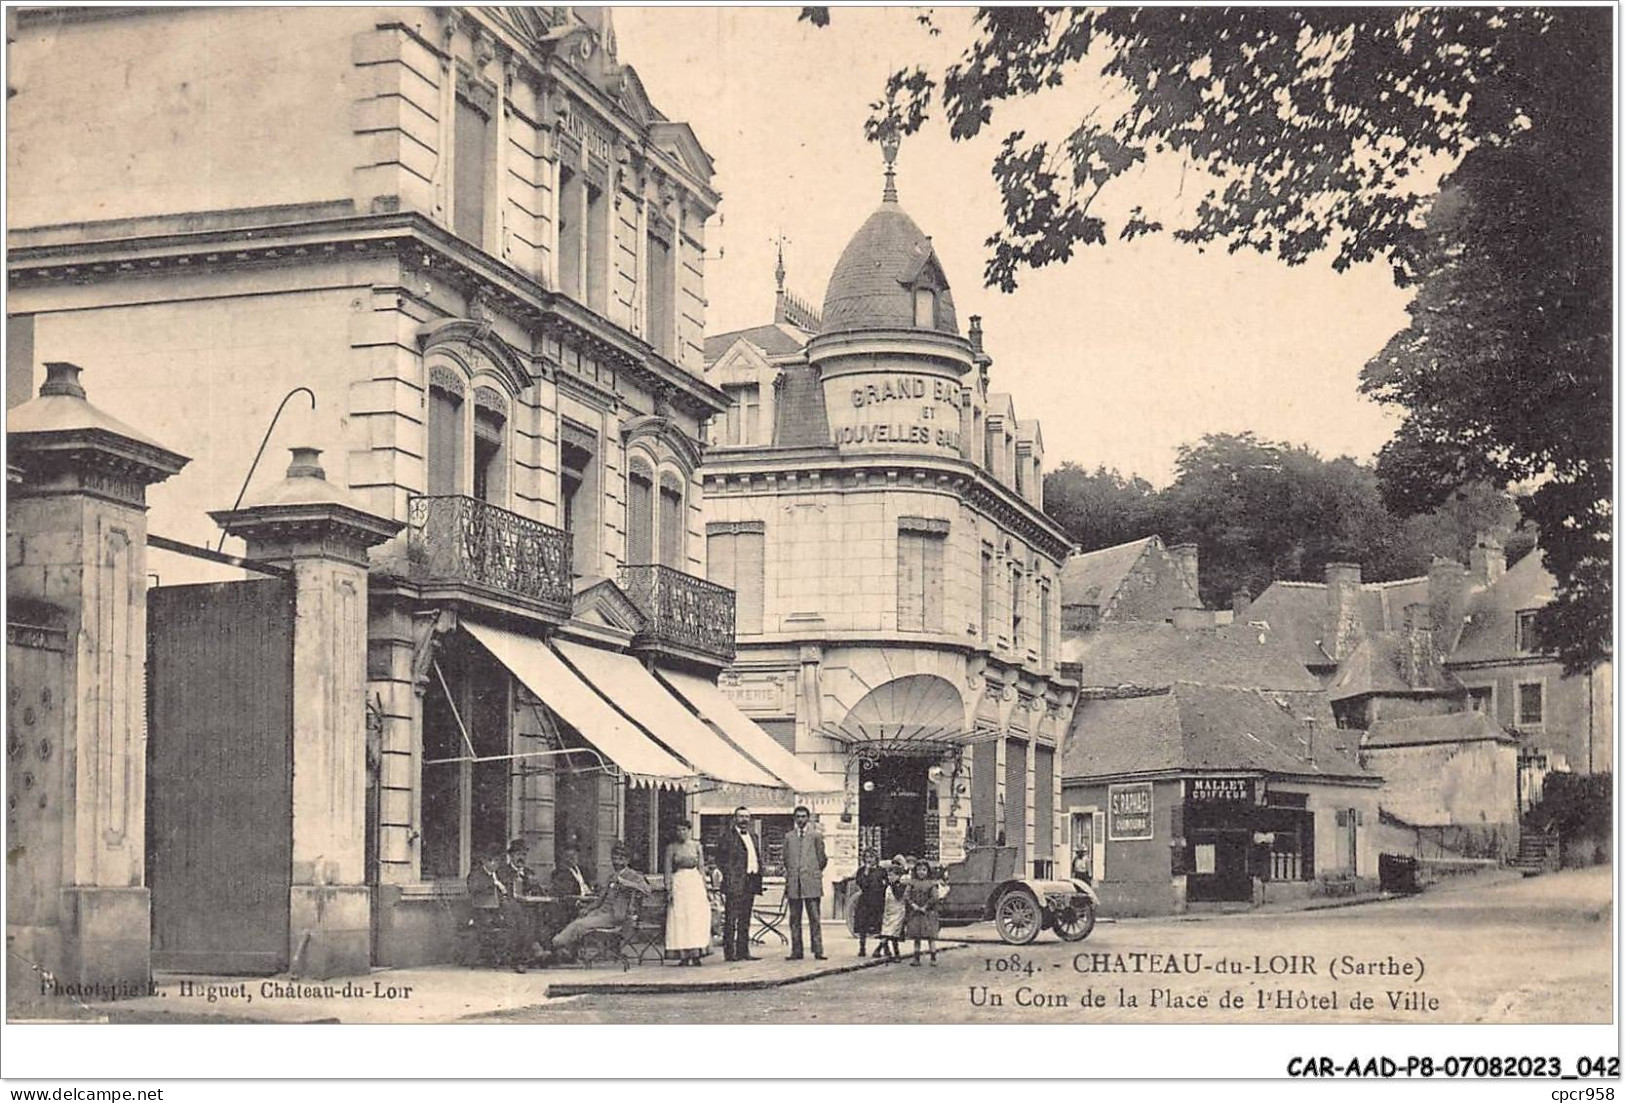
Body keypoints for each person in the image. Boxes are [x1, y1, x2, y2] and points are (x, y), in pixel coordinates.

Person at [550, 842, 652, 957]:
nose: (616, 862)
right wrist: (588, 909)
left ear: (627, 861)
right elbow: (600, 900)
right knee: (578, 918)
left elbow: (647, 890)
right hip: (601, 912)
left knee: (580, 925)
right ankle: (563, 951)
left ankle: (555, 944)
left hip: (616, 916)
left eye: (621, 858)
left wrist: (626, 883)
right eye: (614, 858)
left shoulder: (633, 875)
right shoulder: (612, 877)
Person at [713, 806, 763, 962]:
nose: (744, 820)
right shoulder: (727, 837)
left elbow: (755, 857)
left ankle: (743, 951)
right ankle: (730, 953)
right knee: (731, 919)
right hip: (734, 882)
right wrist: (729, 876)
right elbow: (720, 859)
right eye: (741, 816)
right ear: (735, 818)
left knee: (745, 918)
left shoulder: (754, 836)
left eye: (747, 817)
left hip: (751, 880)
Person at [781, 804, 828, 961]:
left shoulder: (816, 836)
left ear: (808, 818)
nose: (801, 819)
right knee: (794, 919)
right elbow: (786, 859)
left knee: (814, 918)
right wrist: (793, 875)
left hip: (811, 883)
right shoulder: (789, 837)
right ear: (794, 819)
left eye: (803, 816)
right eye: (798, 816)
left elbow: (822, 859)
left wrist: (812, 871)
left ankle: (818, 950)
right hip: (794, 883)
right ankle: (796, 951)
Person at [663, 821, 709, 966]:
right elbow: (668, 870)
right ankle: (683, 955)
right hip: (679, 883)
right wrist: (669, 889)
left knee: (696, 918)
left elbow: (701, 867)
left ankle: (696, 954)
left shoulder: (696, 846)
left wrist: (705, 887)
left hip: (694, 882)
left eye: (684, 830)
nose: (681, 833)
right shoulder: (672, 847)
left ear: (689, 830)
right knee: (680, 917)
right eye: (678, 830)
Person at [493, 838, 539, 973]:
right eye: (518, 854)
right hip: (507, 908)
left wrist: (534, 885)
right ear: (511, 856)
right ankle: (521, 958)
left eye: (524, 855)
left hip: (527, 906)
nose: (521, 858)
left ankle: (540, 950)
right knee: (521, 918)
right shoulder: (503, 872)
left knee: (541, 913)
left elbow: (537, 891)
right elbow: (503, 893)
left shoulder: (529, 873)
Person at [465, 851, 506, 967]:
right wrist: (493, 884)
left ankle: (514, 956)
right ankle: (492, 957)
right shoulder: (476, 875)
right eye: (491, 860)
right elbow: (473, 889)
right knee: (490, 925)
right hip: (481, 910)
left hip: (500, 909)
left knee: (518, 922)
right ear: (484, 861)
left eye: (497, 861)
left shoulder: (500, 874)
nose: (494, 864)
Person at [903, 857, 942, 966]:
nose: (921, 872)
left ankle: (933, 958)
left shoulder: (931, 884)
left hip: (928, 913)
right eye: (919, 870)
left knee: (930, 937)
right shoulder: (912, 883)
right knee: (917, 936)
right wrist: (913, 905)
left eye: (924, 870)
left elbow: (935, 897)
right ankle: (916, 958)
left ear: (928, 871)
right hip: (915, 914)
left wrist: (926, 906)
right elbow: (906, 896)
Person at [850, 848, 887, 958]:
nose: (869, 860)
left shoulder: (881, 871)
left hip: (878, 900)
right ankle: (862, 948)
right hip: (865, 900)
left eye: (871, 857)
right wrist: (866, 872)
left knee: (880, 925)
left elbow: (885, 884)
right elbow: (861, 884)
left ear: (876, 858)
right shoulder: (861, 871)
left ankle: (882, 948)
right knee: (863, 925)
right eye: (867, 857)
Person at [877, 857, 908, 960]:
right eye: (889, 875)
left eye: (892, 875)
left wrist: (893, 885)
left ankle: (896, 953)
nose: (890, 877)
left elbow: (898, 896)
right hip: (888, 912)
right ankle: (886, 950)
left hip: (898, 912)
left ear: (898, 876)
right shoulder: (888, 886)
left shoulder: (901, 886)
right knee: (886, 932)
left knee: (894, 934)